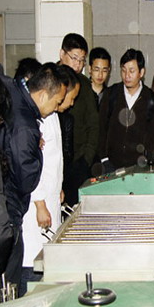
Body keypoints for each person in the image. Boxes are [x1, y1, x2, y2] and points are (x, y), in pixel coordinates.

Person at [1, 62, 68, 294]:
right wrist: (39, 202)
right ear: (43, 95)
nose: (58, 107)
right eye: (57, 102)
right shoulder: (26, 124)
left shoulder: (32, 112)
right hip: (25, 205)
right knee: (30, 265)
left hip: (39, 197)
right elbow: (26, 175)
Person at [20, 65, 80, 291]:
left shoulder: (53, 115)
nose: (70, 103)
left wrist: (58, 186)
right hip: (37, 206)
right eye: (69, 98)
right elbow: (32, 165)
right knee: (33, 263)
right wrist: (39, 203)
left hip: (50, 197)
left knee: (46, 261)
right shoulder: (38, 118)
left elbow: (53, 160)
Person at [97, 48, 154, 171]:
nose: (127, 75)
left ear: (141, 72)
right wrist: (104, 158)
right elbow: (101, 128)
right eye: (123, 70)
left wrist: (148, 161)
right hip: (111, 164)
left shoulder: (151, 99)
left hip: (138, 166)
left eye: (131, 71)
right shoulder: (111, 94)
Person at [58, 34, 99, 205]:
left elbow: (93, 124)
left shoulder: (84, 85)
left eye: (82, 60)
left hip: (77, 161)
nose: (78, 65)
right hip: (54, 161)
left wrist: (86, 159)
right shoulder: (49, 78)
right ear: (62, 54)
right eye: (74, 58)